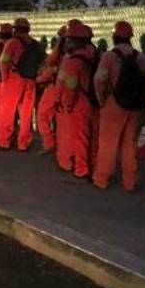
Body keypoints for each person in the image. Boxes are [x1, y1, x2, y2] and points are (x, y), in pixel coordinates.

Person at [92, 21, 145, 191]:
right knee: (130, 143)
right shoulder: (141, 58)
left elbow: (100, 80)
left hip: (113, 103)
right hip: (136, 106)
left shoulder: (109, 57)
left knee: (108, 143)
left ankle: (102, 179)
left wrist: (101, 100)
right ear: (130, 38)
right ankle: (130, 181)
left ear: (114, 37)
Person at [56, 21, 97, 180]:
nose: (66, 42)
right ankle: (90, 166)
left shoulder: (74, 60)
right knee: (90, 137)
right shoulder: (92, 53)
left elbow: (71, 85)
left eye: (68, 39)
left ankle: (81, 170)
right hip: (91, 101)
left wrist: (66, 103)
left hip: (79, 103)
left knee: (79, 138)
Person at [0, 17, 44, 151]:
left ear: (16, 29)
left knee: (7, 111)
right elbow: (43, 64)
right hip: (30, 80)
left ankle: (4, 141)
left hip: (13, 79)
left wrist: (4, 79)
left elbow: (4, 61)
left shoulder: (12, 43)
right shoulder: (36, 45)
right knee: (26, 113)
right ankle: (23, 143)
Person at [35, 25, 68, 154]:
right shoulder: (88, 53)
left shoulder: (63, 54)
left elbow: (51, 68)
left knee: (42, 115)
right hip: (74, 91)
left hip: (55, 88)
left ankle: (49, 143)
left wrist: (39, 80)